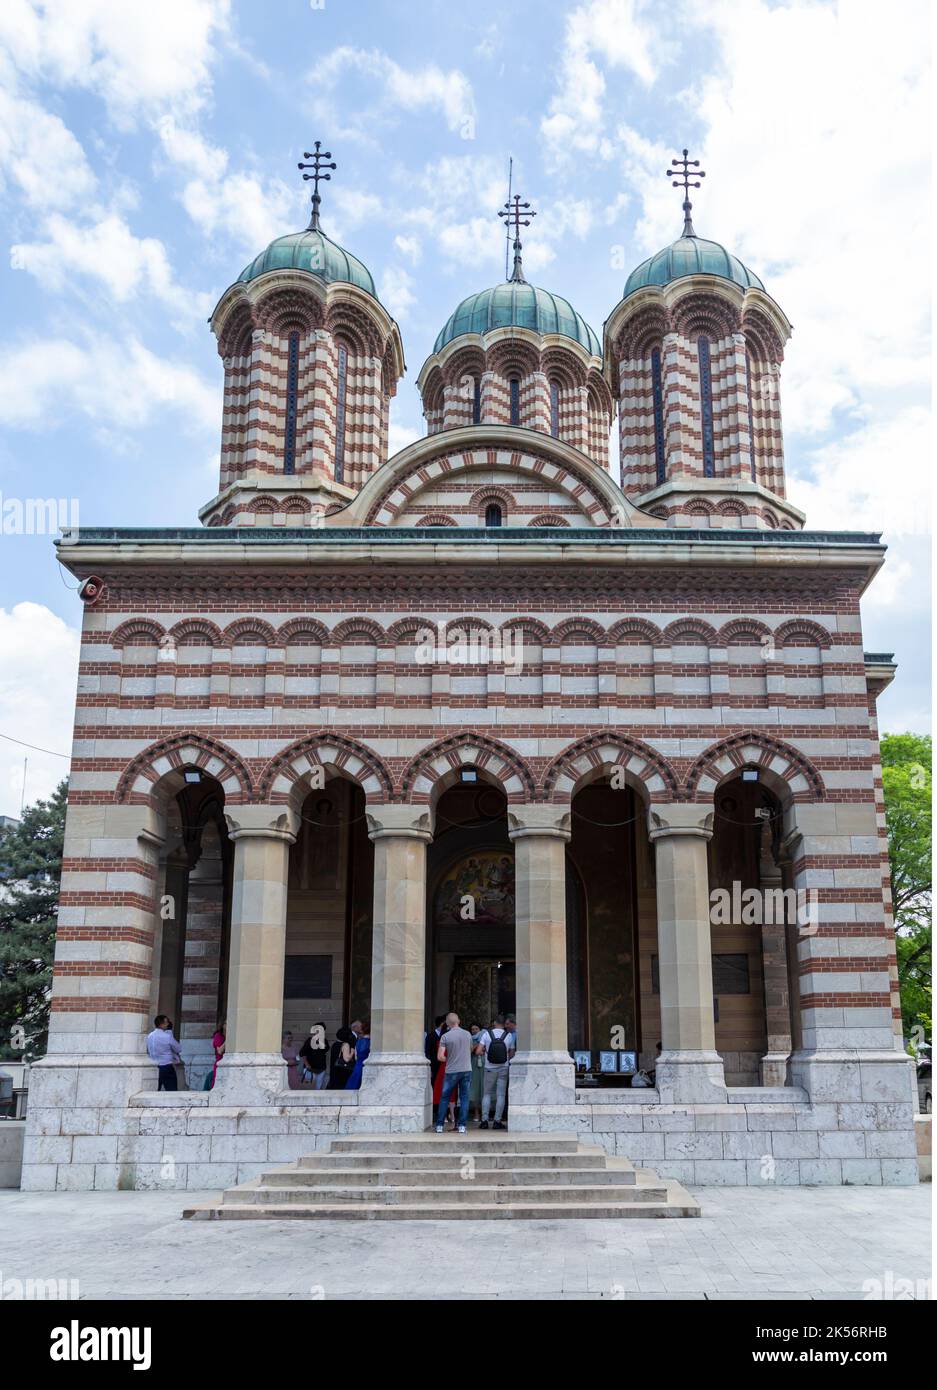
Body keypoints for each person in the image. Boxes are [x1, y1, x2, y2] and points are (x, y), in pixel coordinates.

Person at [434, 1012, 474, 1134]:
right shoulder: (467, 1034)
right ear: (459, 1021)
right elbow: (470, 1050)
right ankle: (462, 1126)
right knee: (464, 1098)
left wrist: (450, 1058)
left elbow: (440, 1057)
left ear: (447, 1023)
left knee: (445, 1097)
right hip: (466, 1069)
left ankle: (439, 1125)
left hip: (451, 1071)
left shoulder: (445, 1036)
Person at [476, 1015, 514, 1129]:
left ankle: (484, 1121)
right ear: (504, 1024)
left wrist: (485, 1052)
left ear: (495, 1023)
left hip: (489, 1067)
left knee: (486, 1094)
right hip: (503, 1067)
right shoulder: (509, 1036)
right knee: (501, 1094)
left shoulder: (487, 1034)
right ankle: (497, 1121)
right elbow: (511, 1053)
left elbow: (478, 1051)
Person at [146, 1014, 182, 1091]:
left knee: (154, 1090)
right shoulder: (167, 1036)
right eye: (166, 1022)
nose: (168, 1024)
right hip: (166, 1066)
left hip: (153, 1065)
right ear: (161, 1024)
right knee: (171, 1091)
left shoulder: (149, 1036)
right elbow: (178, 1049)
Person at [300, 1024, 330, 1089]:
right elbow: (302, 1053)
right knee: (309, 1088)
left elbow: (326, 1049)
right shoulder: (309, 1040)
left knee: (318, 1089)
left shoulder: (324, 1040)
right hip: (310, 1069)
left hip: (321, 1069)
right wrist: (307, 1064)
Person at [346, 1020, 371, 1089]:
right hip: (366, 1066)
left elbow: (356, 1056)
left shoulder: (358, 1041)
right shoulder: (370, 1042)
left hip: (358, 1065)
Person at [468, 1023, 485, 1120]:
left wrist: (477, 1047)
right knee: (474, 1089)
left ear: (480, 1029)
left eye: (476, 1028)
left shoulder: (485, 1036)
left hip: (484, 1064)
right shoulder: (469, 1038)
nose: (474, 1030)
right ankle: (476, 1113)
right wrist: (476, 1047)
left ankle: (484, 1113)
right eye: (472, 1029)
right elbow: (469, 1050)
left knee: (484, 1088)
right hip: (473, 1064)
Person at [425, 1014, 446, 1089]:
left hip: (444, 1065)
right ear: (442, 1024)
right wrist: (429, 1067)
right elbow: (427, 1052)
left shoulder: (447, 1035)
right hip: (434, 1065)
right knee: (435, 1084)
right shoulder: (430, 1036)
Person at [208, 1021, 225, 1090]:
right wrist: (228, 1040)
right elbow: (220, 1051)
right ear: (223, 1025)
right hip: (220, 1064)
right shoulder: (218, 1036)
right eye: (227, 1023)